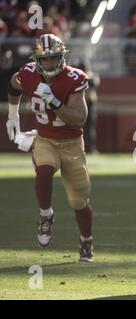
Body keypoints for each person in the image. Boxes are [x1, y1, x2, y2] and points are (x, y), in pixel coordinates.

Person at [6, 34, 95, 262]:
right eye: (44, 59)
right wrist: (12, 116)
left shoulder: (74, 78)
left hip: (72, 143)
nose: (49, 63)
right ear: (37, 60)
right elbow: (14, 85)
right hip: (45, 138)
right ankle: (46, 216)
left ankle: (86, 241)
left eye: (53, 58)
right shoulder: (27, 73)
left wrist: (54, 102)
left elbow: (79, 118)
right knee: (44, 171)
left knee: (79, 201)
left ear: (62, 57)